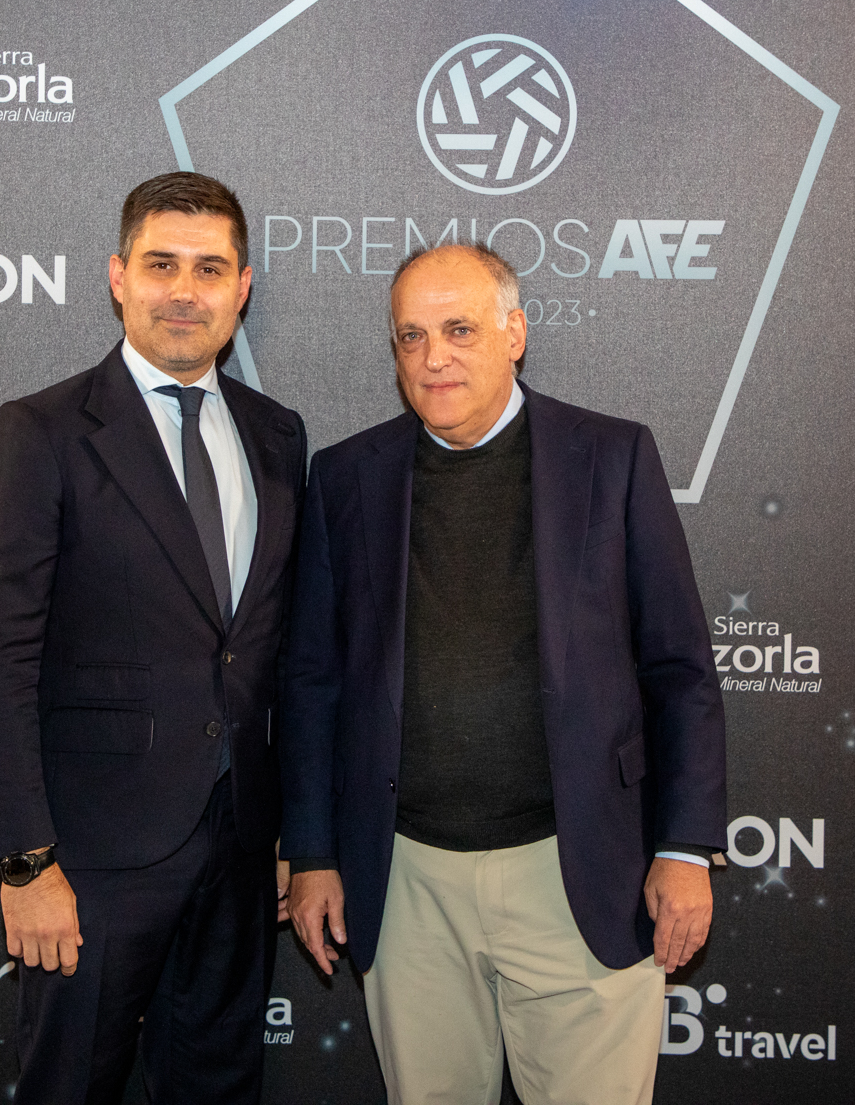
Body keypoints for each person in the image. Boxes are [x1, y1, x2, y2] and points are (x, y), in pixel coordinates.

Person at [281, 243, 726, 1105]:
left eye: (459, 330)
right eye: (411, 336)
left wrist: (683, 848)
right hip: (405, 881)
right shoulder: (345, 477)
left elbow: (679, 668)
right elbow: (312, 683)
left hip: (580, 868)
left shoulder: (613, 456)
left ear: (515, 333)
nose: (433, 357)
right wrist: (311, 852)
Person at [0, 172, 306, 1105]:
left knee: (218, 1087)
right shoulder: (42, 432)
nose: (184, 291)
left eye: (210, 269)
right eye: (161, 265)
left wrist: (293, 834)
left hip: (240, 852)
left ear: (242, 288)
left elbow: (274, 653)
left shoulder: (277, 436)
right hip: (90, 860)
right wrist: (25, 861)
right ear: (118, 278)